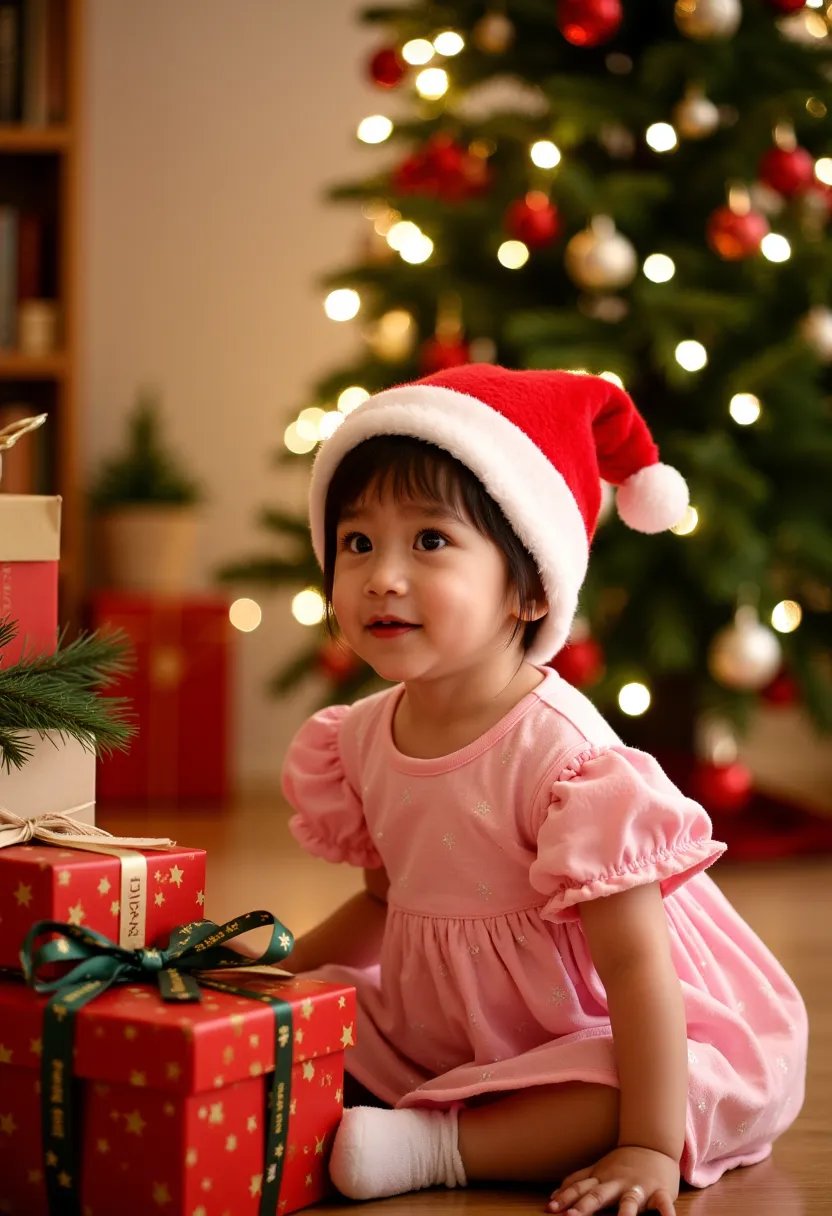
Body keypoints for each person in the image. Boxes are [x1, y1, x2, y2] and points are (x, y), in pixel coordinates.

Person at [279, 365, 807, 1216]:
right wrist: (280, 974)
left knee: (619, 1084)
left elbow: (636, 969)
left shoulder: (563, 757)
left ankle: (443, 1145)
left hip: (583, 1019)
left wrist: (646, 1145)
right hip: (439, 1021)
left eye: (430, 541)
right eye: (357, 543)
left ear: (528, 588)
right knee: (319, 1016)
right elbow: (382, 900)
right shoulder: (364, 736)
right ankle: (428, 1100)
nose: (381, 576)